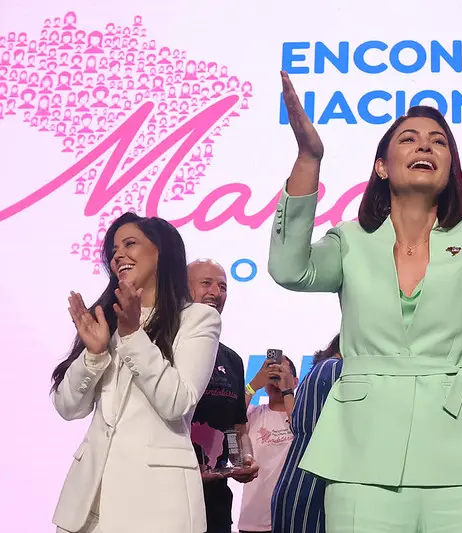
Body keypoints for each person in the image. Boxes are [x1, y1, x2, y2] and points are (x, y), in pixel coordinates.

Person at [268, 71, 462, 532]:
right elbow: (290, 270)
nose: (425, 146)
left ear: (451, 168)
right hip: (362, 455)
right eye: (409, 139)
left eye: (439, 142)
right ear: (382, 166)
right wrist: (309, 157)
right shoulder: (350, 241)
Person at [51, 212, 222, 533]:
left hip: (155, 504)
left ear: (162, 252)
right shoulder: (104, 319)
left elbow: (178, 402)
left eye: (130, 243)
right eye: (114, 249)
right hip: (88, 506)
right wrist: (94, 354)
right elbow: (68, 407)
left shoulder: (198, 319)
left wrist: (132, 336)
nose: (118, 255)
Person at [188, 259, 259, 533]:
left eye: (223, 287)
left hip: (216, 505)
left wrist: (245, 459)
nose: (216, 293)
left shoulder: (233, 360)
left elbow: (237, 428)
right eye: (206, 283)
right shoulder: (163, 346)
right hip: (167, 498)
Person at [271, 334, 344, 533]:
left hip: (296, 479)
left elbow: (298, 424)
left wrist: (287, 391)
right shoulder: (336, 369)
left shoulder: (321, 369)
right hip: (314, 483)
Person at [237, 355, 298, 533]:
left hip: (290, 520)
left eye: (281, 371)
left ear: (295, 381)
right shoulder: (253, 414)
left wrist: (287, 392)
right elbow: (230, 418)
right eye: (271, 373)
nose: (275, 378)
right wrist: (252, 385)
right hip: (252, 521)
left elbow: (301, 432)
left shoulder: (302, 417)